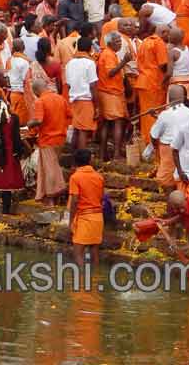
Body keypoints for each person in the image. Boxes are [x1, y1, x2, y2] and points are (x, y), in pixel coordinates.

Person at [26, 78, 70, 206]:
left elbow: (38, 120)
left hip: (47, 139)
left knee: (50, 169)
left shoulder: (40, 101)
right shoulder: (60, 98)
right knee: (52, 166)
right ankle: (50, 196)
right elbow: (69, 115)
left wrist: (29, 124)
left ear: (35, 91)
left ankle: (52, 196)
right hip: (60, 138)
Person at [150, 85, 189, 190]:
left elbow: (153, 135)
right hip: (186, 149)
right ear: (183, 98)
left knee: (166, 182)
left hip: (169, 150)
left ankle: (171, 199)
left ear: (169, 98)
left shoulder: (164, 115)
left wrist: (155, 148)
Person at [96, 31, 130, 162]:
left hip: (106, 92)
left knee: (105, 124)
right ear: (110, 43)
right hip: (111, 93)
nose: (120, 44)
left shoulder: (108, 54)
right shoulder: (108, 54)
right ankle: (116, 155)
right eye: (117, 42)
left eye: (120, 41)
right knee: (117, 122)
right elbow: (111, 73)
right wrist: (124, 62)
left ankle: (102, 154)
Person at [67, 148, 104, 269]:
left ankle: (82, 282)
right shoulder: (99, 177)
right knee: (94, 251)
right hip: (98, 217)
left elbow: (75, 200)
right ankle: (95, 281)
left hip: (84, 217)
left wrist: (71, 220)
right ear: (90, 161)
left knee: (78, 253)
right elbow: (101, 198)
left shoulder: (75, 177)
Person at [65, 37, 98, 150]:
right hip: (85, 101)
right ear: (90, 49)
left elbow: (68, 84)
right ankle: (82, 162)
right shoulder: (90, 63)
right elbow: (93, 86)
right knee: (83, 131)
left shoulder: (70, 63)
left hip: (74, 100)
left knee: (77, 130)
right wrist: (97, 106)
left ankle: (75, 160)